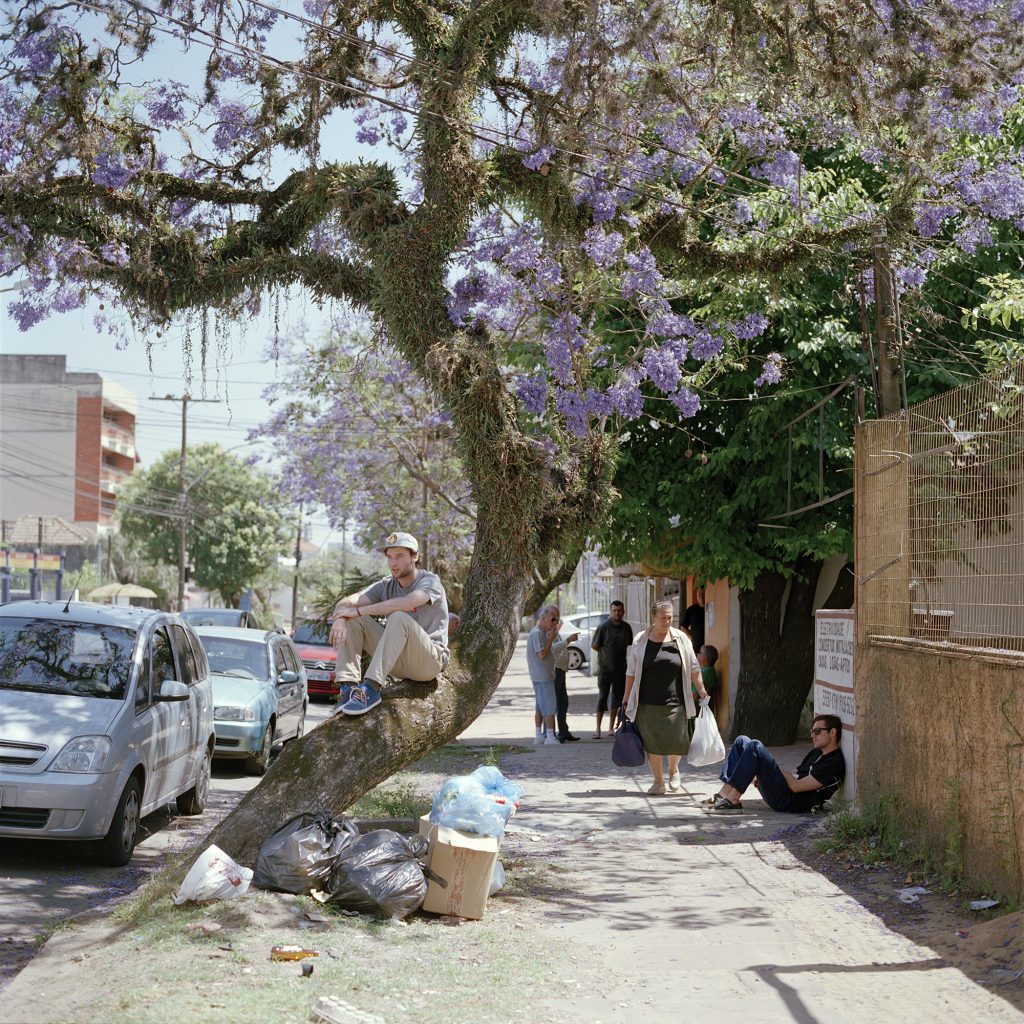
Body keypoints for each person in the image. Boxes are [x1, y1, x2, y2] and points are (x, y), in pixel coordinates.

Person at [328, 531, 449, 716]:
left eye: (399, 556)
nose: (393, 563)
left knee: (398, 616)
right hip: (398, 662)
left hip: (428, 662)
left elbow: (407, 602)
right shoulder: (386, 585)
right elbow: (348, 602)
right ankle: (348, 688)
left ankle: (371, 688)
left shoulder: (430, 581)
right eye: (389, 557)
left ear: (415, 557)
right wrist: (341, 619)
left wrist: (358, 610)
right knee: (354, 619)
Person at [622, 599, 709, 795]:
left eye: (670, 617)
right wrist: (626, 698)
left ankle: (673, 769)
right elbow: (631, 672)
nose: (667, 621)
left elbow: (694, 668)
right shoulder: (640, 640)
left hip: (676, 701)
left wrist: (701, 689)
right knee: (652, 744)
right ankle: (658, 781)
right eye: (663, 618)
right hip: (646, 703)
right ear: (653, 617)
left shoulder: (681, 639)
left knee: (675, 741)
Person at [705, 714, 846, 815]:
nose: (812, 735)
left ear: (832, 732)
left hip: (790, 802)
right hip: (782, 791)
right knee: (742, 741)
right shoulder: (817, 752)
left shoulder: (833, 764)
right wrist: (761, 773)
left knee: (755, 746)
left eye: (817, 732)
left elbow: (797, 786)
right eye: (812, 732)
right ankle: (723, 795)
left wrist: (768, 768)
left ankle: (733, 800)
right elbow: (795, 774)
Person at [590, 600, 633, 738]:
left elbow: (629, 643)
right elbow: (595, 645)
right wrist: (606, 654)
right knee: (602, 697)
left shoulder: (626, 628)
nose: (617, 613)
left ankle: (611, 728)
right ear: (610, 611)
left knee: (617, 699)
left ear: (623, 611)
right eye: (614, 610)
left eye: (619, 610)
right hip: (605, 669)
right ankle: (597, 729)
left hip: (620, 669)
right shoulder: (603, 627)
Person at [527, 604, 561, 745]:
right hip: (543, 677)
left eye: (557, 620)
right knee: (549, 707)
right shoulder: (538, 633)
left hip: (542, 676)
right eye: (553, 619)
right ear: (544, 618)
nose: (555, 623)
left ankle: (539, 735)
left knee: (541, 707)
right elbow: (542, 654)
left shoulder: (540, 632)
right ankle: (550, 736)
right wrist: (550, 639)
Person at [552, 615, 580, 742]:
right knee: (557, 702)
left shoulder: (556, 634)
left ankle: (564, 731)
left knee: (563, 702)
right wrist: (568, 640)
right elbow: (553, 649)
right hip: (556, 671)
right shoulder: (548, 634)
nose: (558, 625)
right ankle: (553, 733)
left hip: (561, 670)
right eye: (556, 622)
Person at [680, 586, 706, 653]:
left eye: (703, 594)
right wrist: (692, 637)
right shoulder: (692, 609)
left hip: (710, 646)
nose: (701, 597)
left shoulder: (711, 608)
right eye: (699, 594)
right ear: (697, 596)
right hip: (697, 648)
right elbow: (683, 627)